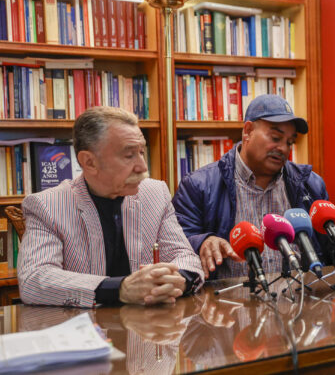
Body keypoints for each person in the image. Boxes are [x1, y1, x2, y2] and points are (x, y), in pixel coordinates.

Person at [173, 94, 335, 279]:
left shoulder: (310, 184)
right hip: (229, 310)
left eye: (290, 142)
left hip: (300, 305)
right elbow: (174, 246)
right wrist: (203, 241)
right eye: (275, 138)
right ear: (247, 131)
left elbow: (328, 244)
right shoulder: (199, 185)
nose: (283, 148)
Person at [18, 107, 204, 308]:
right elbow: (34, 280)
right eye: (129, 155)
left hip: (147, 329)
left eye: (142, 152)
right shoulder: (47, 206)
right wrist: (119, 288)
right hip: (84, 330)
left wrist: (178, 281)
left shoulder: (155, 193)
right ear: (89, 162)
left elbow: (184, 256)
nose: (143, 167)